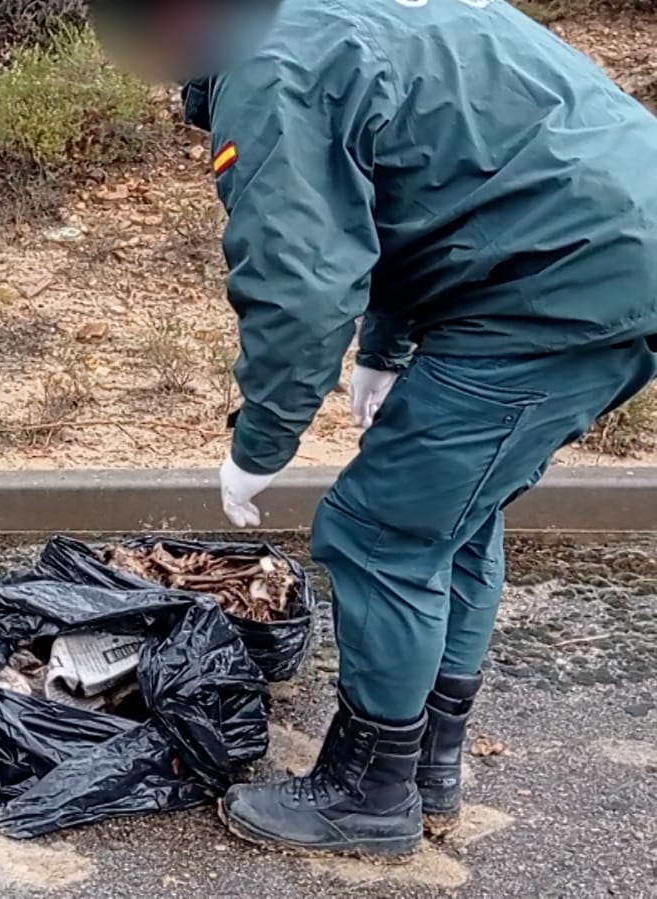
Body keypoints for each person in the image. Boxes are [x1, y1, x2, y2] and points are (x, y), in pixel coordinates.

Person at [93, 0, 657, 859]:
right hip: (597, 244)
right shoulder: (331, 18)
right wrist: (384, 350)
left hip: (559, 282)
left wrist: (259, 444)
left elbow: (298, 285)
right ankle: (426, 765)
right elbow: (418, 178)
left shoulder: (267, 65)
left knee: (379, 534)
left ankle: (367, 794)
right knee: (450, 518)